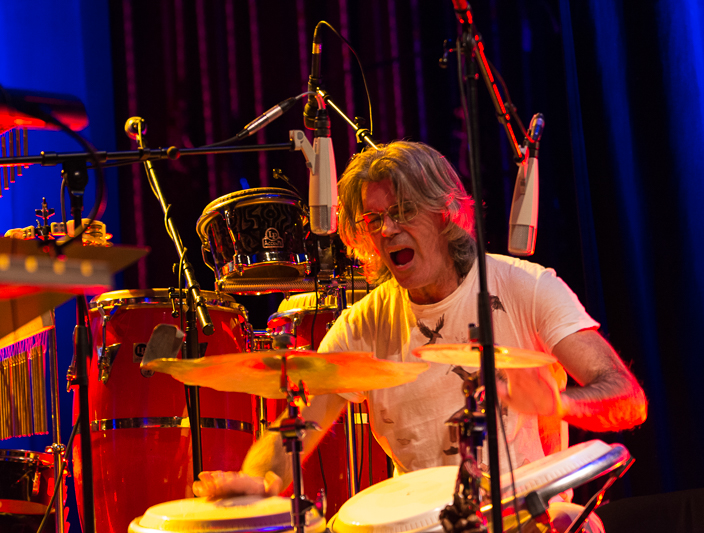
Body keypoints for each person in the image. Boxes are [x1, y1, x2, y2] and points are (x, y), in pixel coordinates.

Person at [193, 141, 647, 528]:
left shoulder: (525, 287)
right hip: (422, 522)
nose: (388, 230)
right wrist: (260, 481)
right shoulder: (363, 324)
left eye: (403, 211)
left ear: (445, 213)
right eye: (373, 220)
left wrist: (558, 404)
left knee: (576, 522)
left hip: (526, 515)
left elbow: (628, 398)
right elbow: (299, 424)